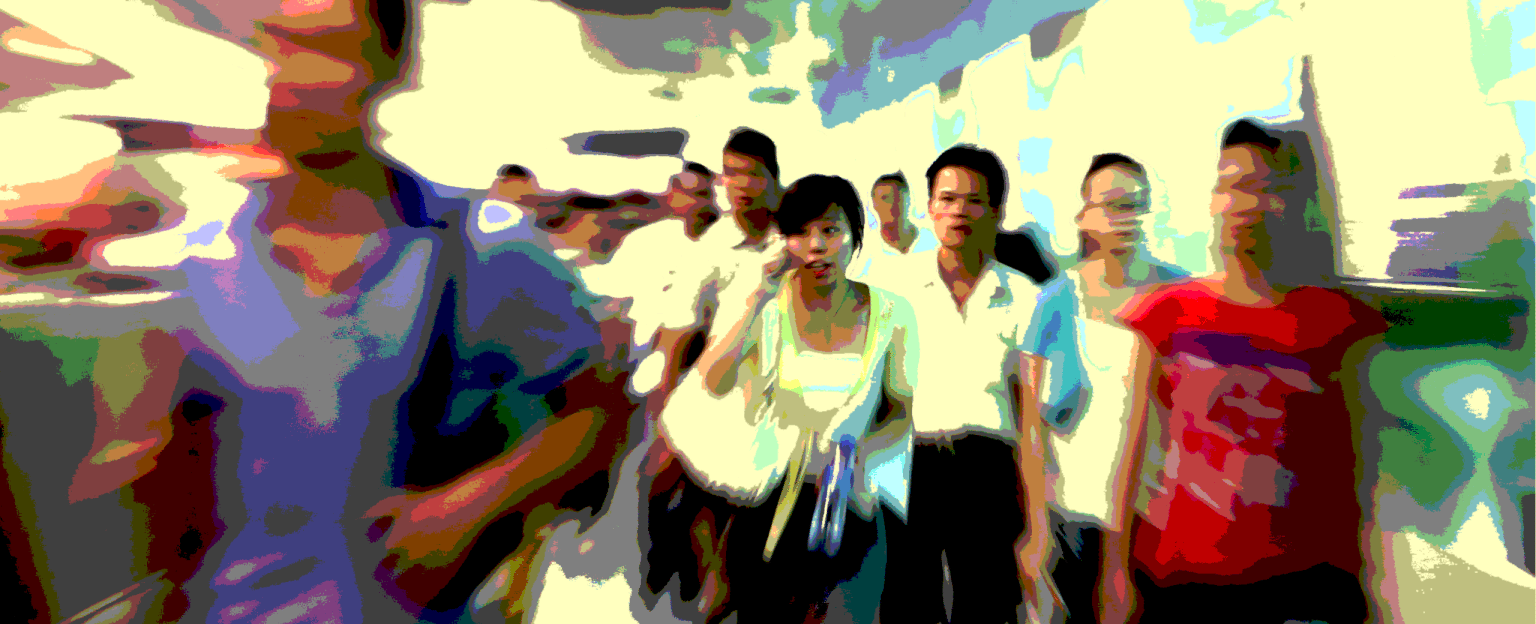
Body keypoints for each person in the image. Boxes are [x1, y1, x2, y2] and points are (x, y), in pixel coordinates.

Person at [1098, 120, 1388, 624]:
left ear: (1289, 203)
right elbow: (1132, 447)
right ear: (1213, 202)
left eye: (1262, 188)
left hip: (1302, 581)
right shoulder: (1168, 313)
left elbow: (1355, 464)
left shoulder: (1334, 322)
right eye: (1229, 187)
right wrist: (1114, 571)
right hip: (1184, 578)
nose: (1243, 205)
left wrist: (1368, 577)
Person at [653, 174, 917, 623]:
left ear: (855, 235)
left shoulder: (893, 313)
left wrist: (856, 455)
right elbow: (714, 380)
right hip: (766, 500)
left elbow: (899, 409)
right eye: (800, 232)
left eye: (831, 230)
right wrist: (757, 295)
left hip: (846, 506)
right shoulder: (766, 303)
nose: (816, 246)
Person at [881, 144, 1070, 623]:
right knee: (907, 606)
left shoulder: (1023, 297)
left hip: (988, 467)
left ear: (998, 211)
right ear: (929, 207)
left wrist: (1037, 521)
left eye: (974, 201)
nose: (958, 212)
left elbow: (1030, 413)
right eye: (947, 199)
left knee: (986, 605)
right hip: (909, 464)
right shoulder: (894, 289)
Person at [1047, 153, 1188, 622]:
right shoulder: (1058, 298)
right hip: (1074, 507)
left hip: (1152, 509)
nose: (1126, 217)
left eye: (1136, 205)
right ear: (1085, 215)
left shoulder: (1179, 296)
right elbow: (1032, 418)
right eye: (1111, 205)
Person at [846, 172, 939, 295]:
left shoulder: (934, 240)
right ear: (874, 204)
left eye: (897, 197)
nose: (891, 205)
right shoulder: (865, 252)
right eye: (885, 198)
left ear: (909, 200)